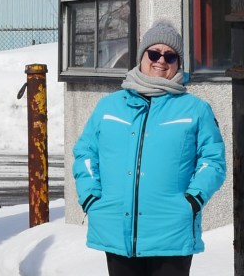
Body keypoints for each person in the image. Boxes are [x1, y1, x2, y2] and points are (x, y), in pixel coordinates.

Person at [73, 20, 227, 276]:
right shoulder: (109, 107)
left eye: (170, 56)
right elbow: (85, 154)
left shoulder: (195, 109)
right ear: (141, 57)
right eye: (154, 53)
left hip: (171, 233)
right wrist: (90, 197)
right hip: (116, 229)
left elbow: (213, 161)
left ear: (178, 63)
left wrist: (193, 200)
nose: (161, 61)